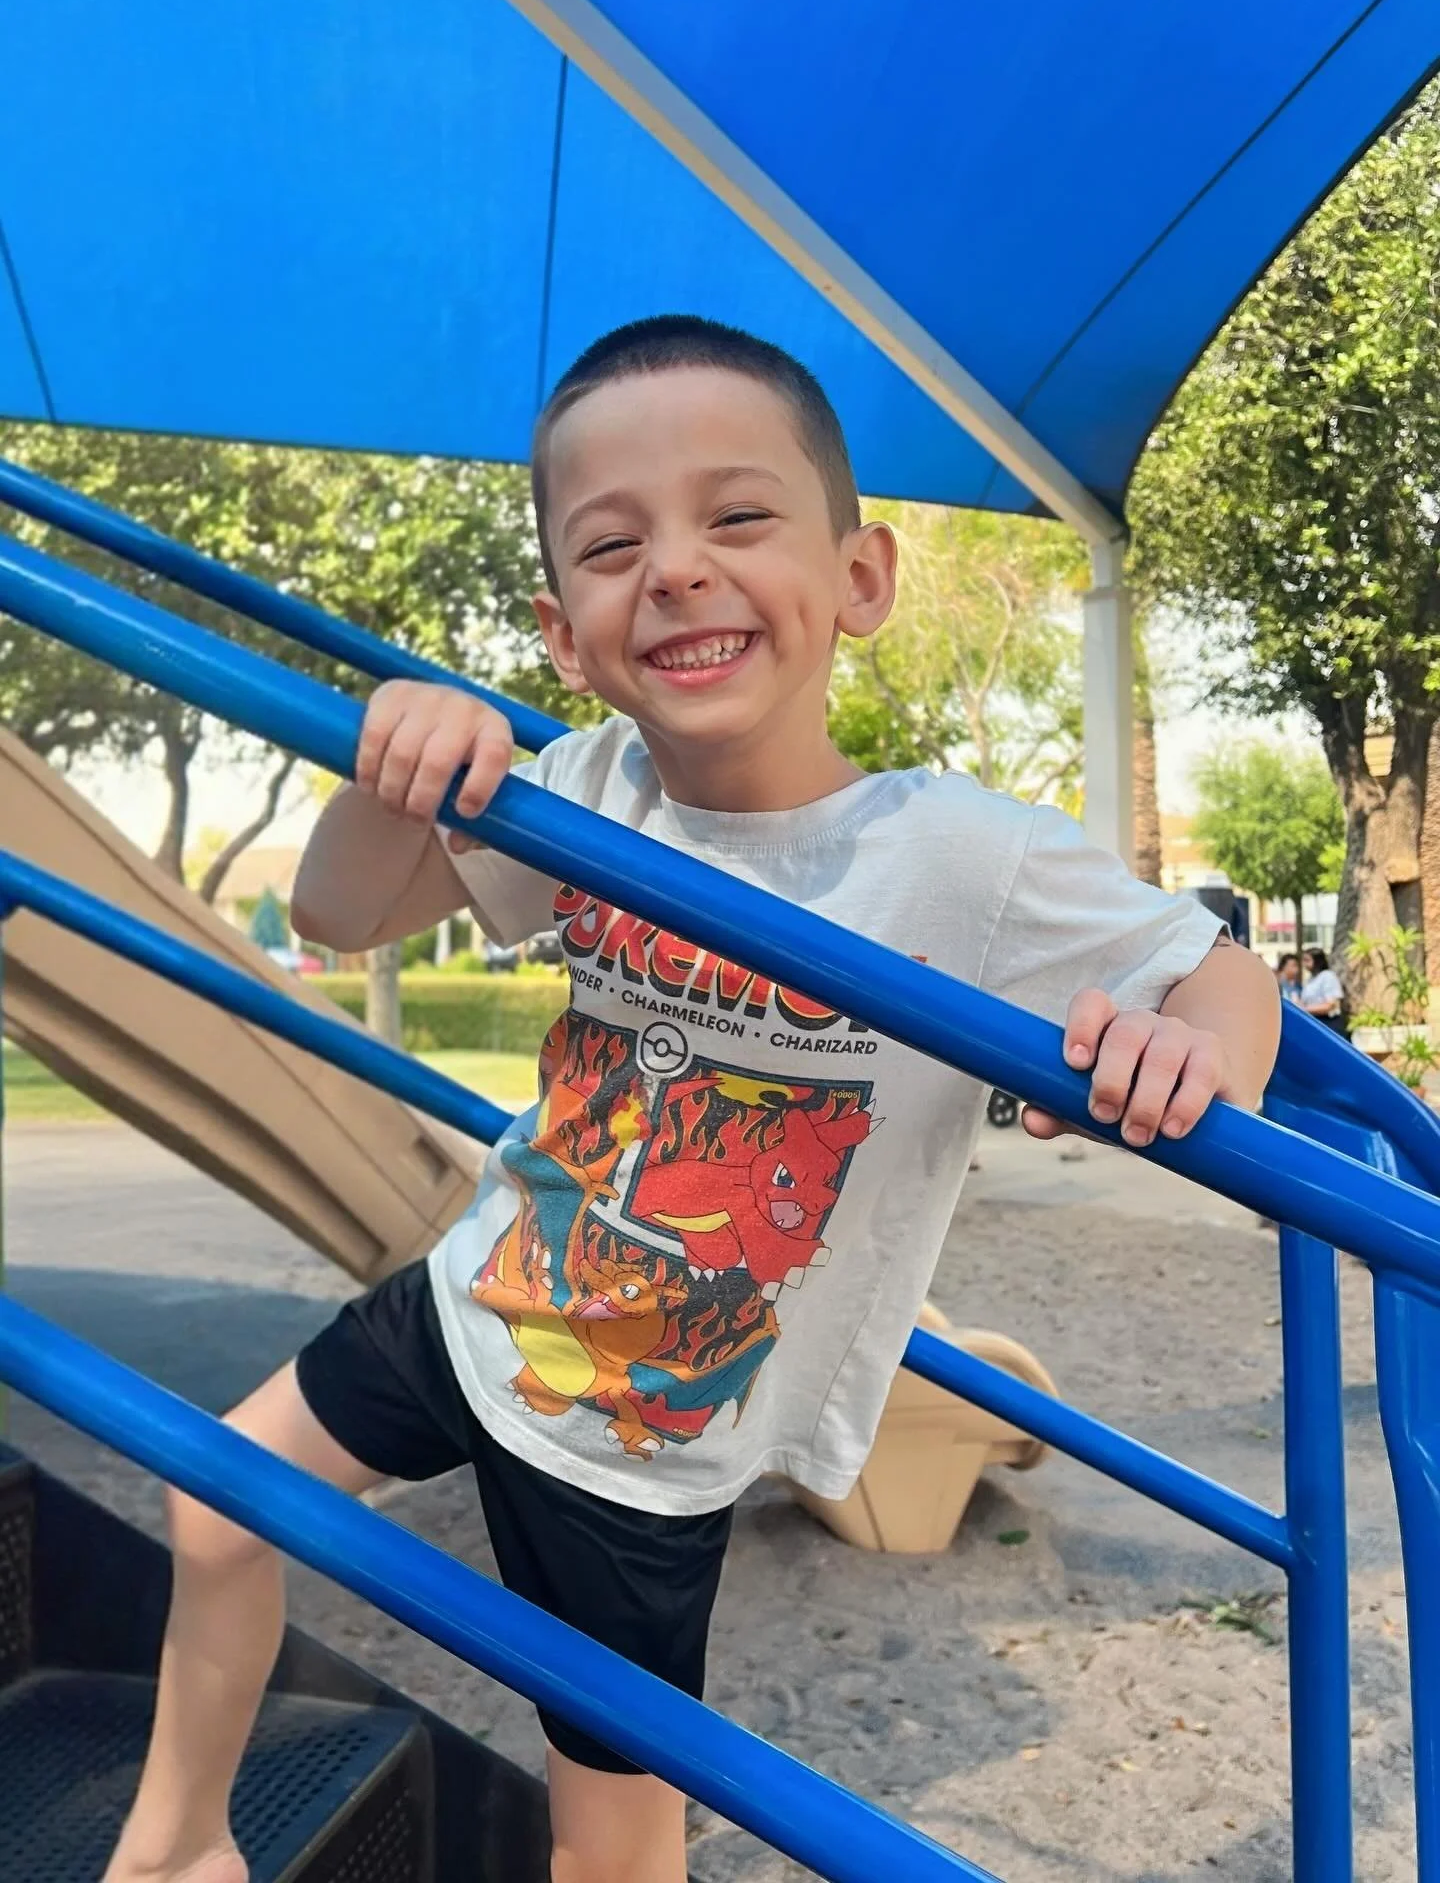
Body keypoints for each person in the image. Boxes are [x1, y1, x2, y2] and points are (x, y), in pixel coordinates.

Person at [105, 316, 1281, 1883]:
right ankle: (177, 1847)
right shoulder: (583, 788)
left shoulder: (958, 860)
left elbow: (1215, 974)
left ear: (859, 580)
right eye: (614, 543)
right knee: (215, 1500)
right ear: (563, 628)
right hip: (481, 1307)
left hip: (649, 1438)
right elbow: (336, 917)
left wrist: (1204, 1053)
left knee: (610, 1839)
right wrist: (400, 761)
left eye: (736, 517)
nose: (675, 567)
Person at [1301, 946, 1348, 1034]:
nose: (1304, 964)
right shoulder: (1310, 979)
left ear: (1317, 961)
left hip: (1328, 1023)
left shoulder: (1328, 976)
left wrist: (1304, 1009)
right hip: (1314, 1021)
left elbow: (1330, 1005)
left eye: (1307, 960)